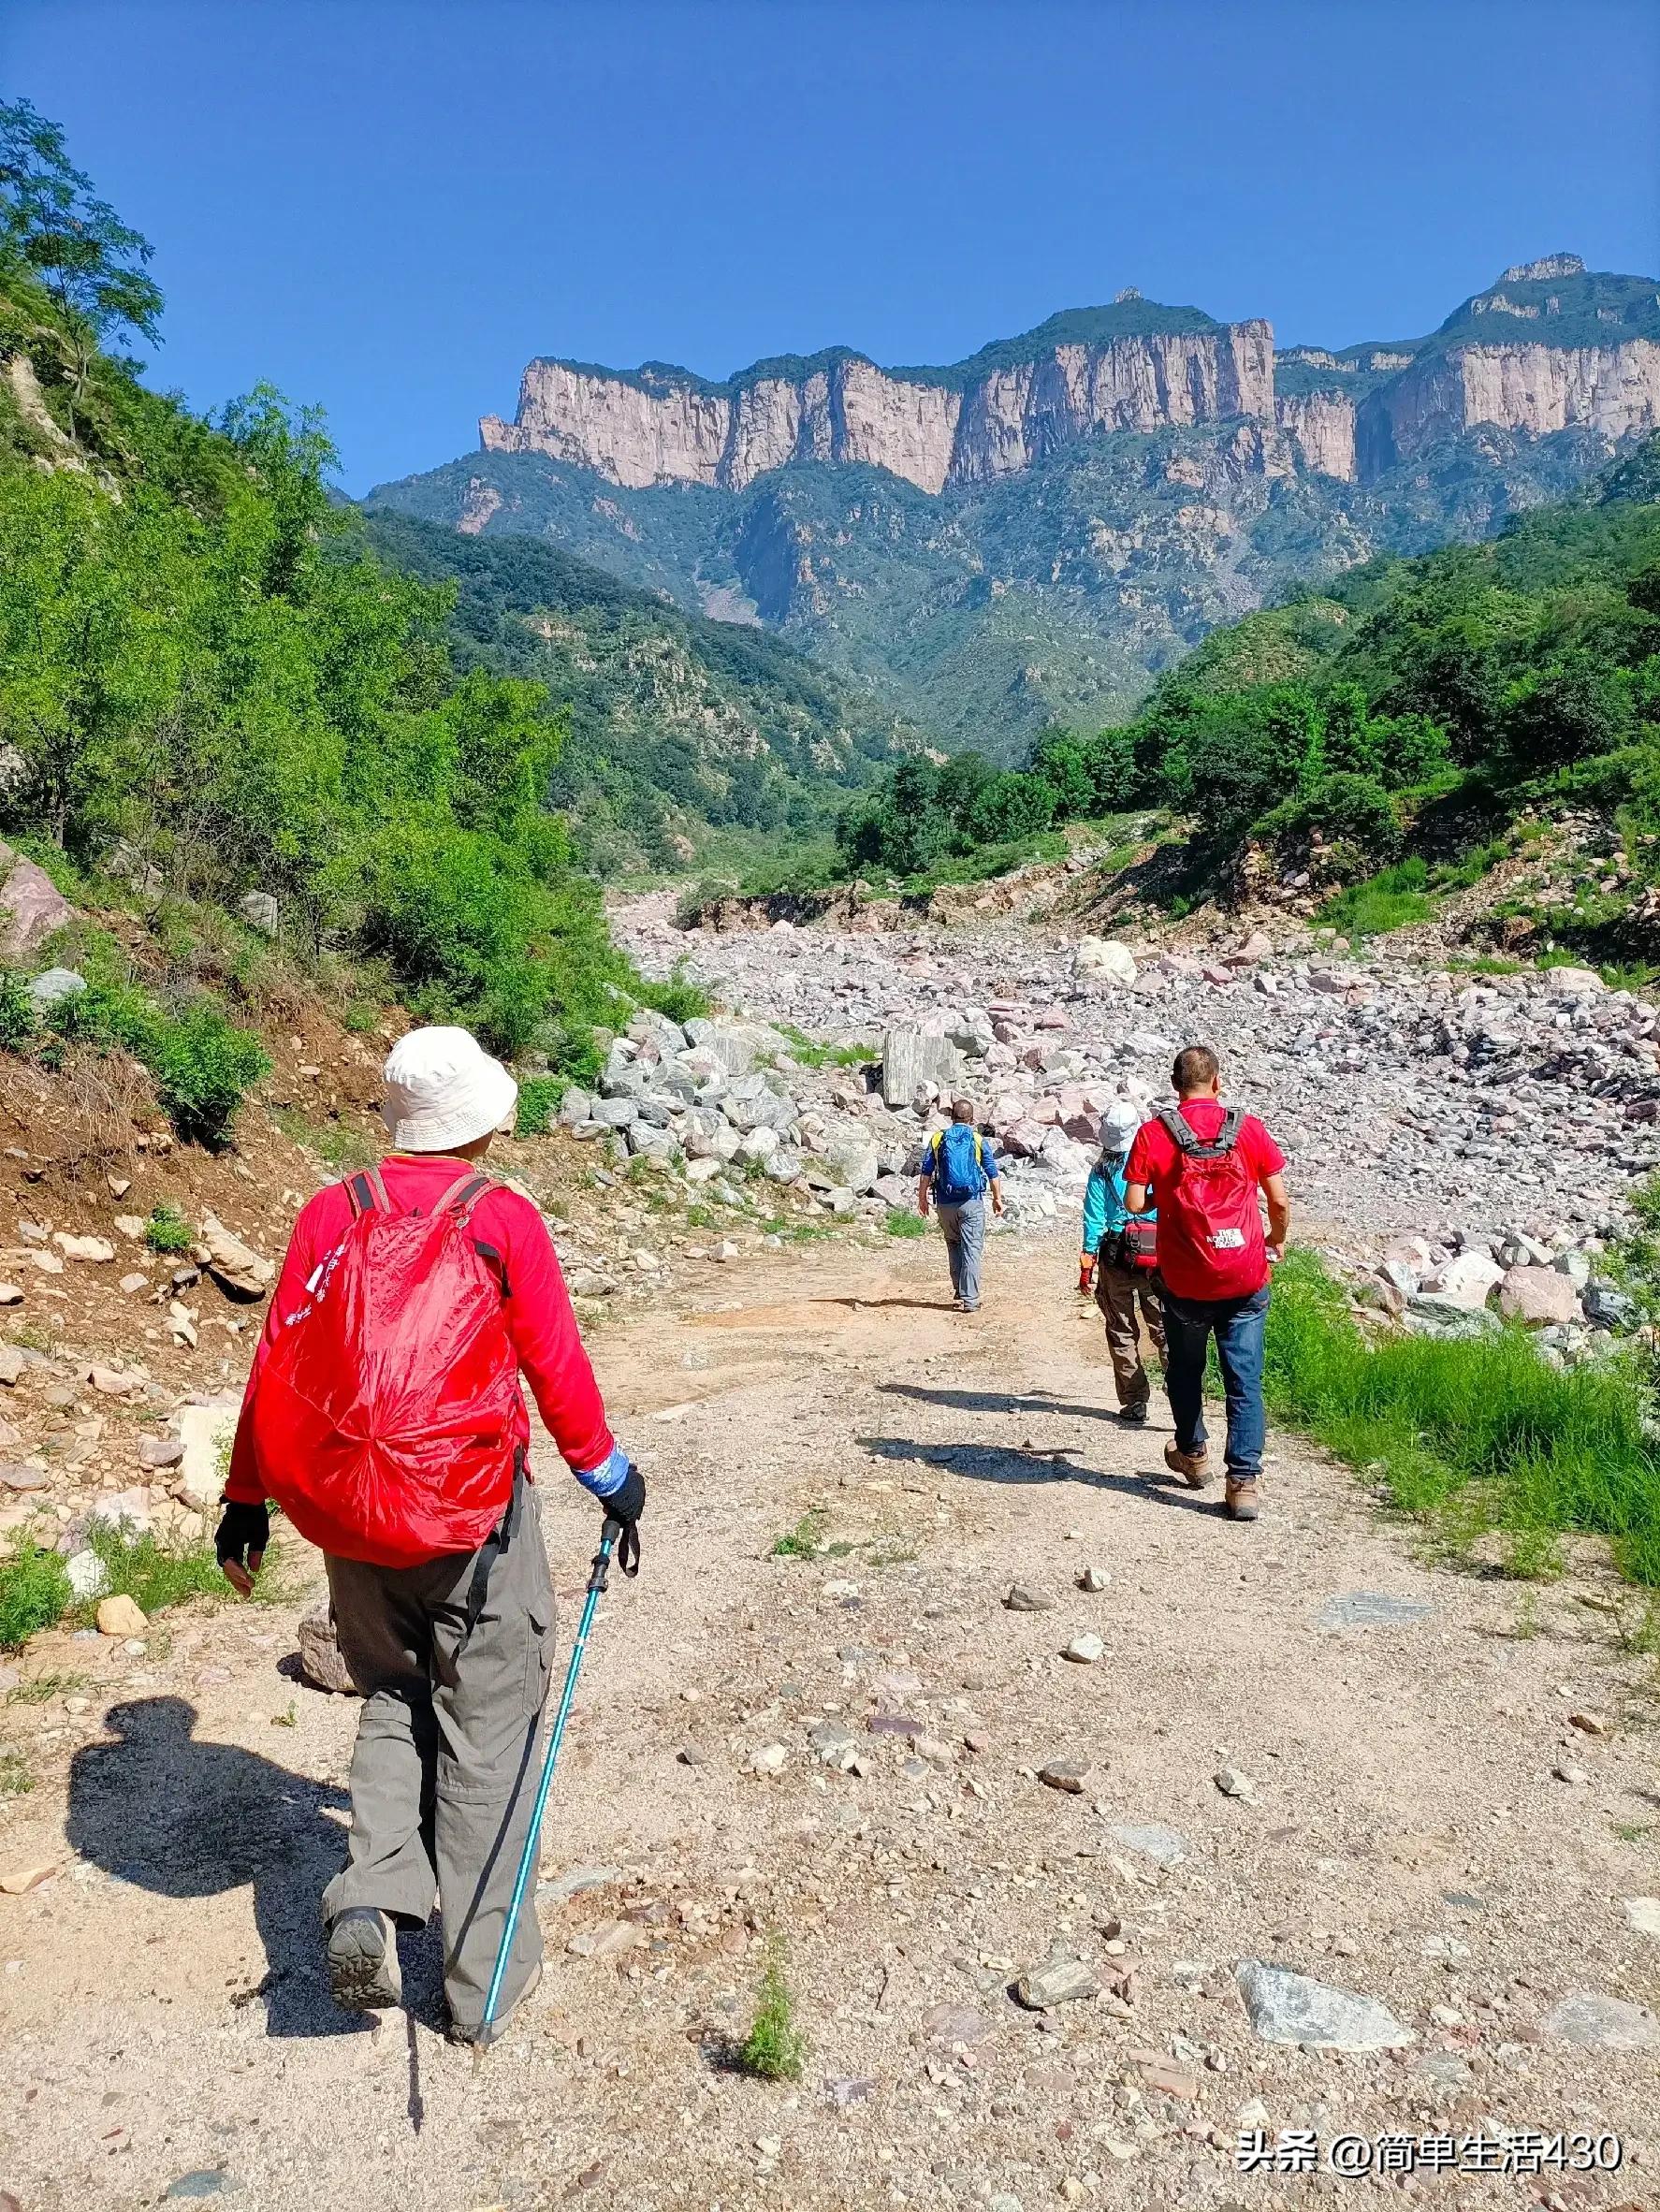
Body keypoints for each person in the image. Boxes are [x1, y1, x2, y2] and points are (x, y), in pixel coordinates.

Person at [215, 1026, 644, 2045]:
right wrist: (611, 1479)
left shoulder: (332, 1210)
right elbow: (555, 1368)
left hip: (351, 1516)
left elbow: (278, 1358)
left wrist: (245, 1498)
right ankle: (479, 1984)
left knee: (392, 1696)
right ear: (486, 1123)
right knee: (488, 1736)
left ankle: (370, 1890)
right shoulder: (501, 1220)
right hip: (470, 1521)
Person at [1124, 1044, 1289, 1521]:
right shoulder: (1249, 1129)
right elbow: (1278, 1200)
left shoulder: (1155, 1134)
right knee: (1244, 1379)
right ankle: (1243, 1483)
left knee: (1185, 1370)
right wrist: (1275, 1239)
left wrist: (1167, 1193)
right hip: (1245, 1276)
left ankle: (1193, 1455)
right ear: (1218, 1082)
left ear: (1175, 1086)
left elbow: (1134, 1203)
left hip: (1185, 1281)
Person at [1078, 1099, 1166, 1425]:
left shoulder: (1102, 1168)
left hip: (1115, 1256)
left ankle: (1134, 1403)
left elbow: (1093, 1219)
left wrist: (1087, 1265)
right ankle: (1181, 1393)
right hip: (1156, 1251)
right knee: (1165, 1327)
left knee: (1121, 1329)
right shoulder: (1153, 1159)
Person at [917, 1097, 1003, 1312]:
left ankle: (959, 1288)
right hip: (971, 1201)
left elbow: (926, 1172)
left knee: (953, 1244)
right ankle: (970, 1299)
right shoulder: (977, 1139)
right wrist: (997, 1199)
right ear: (972, 1119)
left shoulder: (938, 1138)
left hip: (945, 1203)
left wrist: (922, 1199)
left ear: (951, 1116)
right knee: (972, 1249)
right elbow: (992, 1172)